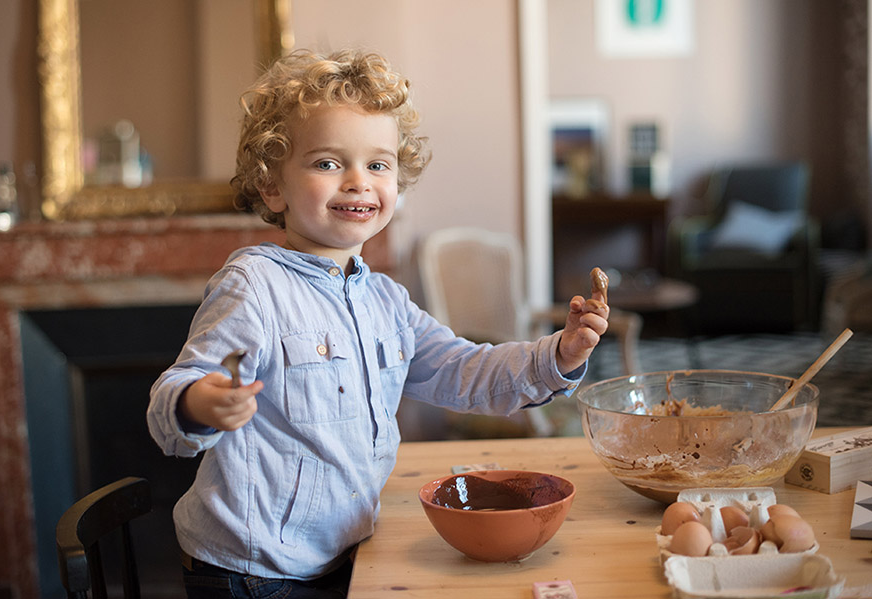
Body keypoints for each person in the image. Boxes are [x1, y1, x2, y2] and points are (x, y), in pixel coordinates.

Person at [147, 48, 610, 599]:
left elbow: (465, 370)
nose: (357, 182)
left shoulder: (385, 300)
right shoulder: (254, 286)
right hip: (253, 572)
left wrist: (558, 356)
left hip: (343, 553)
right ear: (273, 186)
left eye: (378, 164)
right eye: (326, 163)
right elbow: (169, 398)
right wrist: (200, 403)